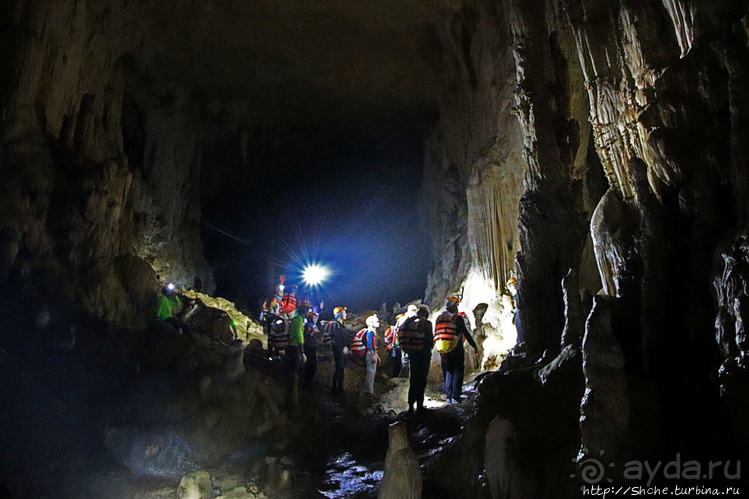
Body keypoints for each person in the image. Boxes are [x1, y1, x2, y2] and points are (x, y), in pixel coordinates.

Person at [435, 296, 478, 404]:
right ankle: (456, 396)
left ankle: (448, 397)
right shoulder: (457, 318)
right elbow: (465, 333)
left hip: (443, 350)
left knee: (448, 372)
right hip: (455, 348)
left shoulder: (439, 318)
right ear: (454, 307)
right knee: (458, 370)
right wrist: (474, 346)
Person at [400, 305, 433, 415]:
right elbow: (429, 341)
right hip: (423, 355)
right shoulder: (427, 324)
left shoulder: (409, 322)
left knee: (413, 380)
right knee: (422, 380)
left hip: (412, 354)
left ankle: (410, 406)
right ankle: (419, 406)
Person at [285, 302, 306, 413]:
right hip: (294, 346)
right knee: (295, 370)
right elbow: (298, 334)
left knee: (292, 369)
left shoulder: (296, 318)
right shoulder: (298, 319)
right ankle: (293, 398)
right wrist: (302, 351)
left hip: (291, 346)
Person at [327, 306, 350, 397]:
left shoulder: (342, 325)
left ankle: (340, 388)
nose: (346, 315)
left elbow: (345, 338)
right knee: (338, 368)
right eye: (344, 313)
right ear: (339, 314)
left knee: (342, 368)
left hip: (343, 349)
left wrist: (348, 347)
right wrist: (342, 348)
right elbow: (336, 338)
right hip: (338, 349)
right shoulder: (335, 324)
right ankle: (334, 389)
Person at [396, 305, 418, 377]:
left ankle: (404, 377)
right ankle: (405, 378)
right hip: (409, 343)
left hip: (405, 342)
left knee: (405, 361)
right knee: (407, 361)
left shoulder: (403, 319)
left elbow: (397, 330)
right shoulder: (412, 320)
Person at [302, 309, 321, 390]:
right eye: (314, 317)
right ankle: (306, 384)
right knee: (310, 366)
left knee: (313, 366)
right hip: (309, 348)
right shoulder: (308, 327)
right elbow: (305, 337)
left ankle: (309, 383)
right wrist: (312, 334)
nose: (316, 319)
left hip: (313, 347)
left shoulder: (313, 326)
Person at [362, 314, 381, 396]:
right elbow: (370, 343)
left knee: (372, 372)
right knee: (371, 372)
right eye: (377, 321)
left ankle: (369, 389)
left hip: (373, 352)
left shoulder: (372, 331)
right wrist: (373, 353)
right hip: (371, 353)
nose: (379, 323)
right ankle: (368, 391)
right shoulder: (370, 332)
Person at [506, 277, 526, 347]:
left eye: (509, 287)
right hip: (519, 315)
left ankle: (521, 345)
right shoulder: (517, 294)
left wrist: (512, 311)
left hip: (520, 315)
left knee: (521, 333)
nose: (510, 289)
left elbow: (520, 307)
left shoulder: (518, 295)